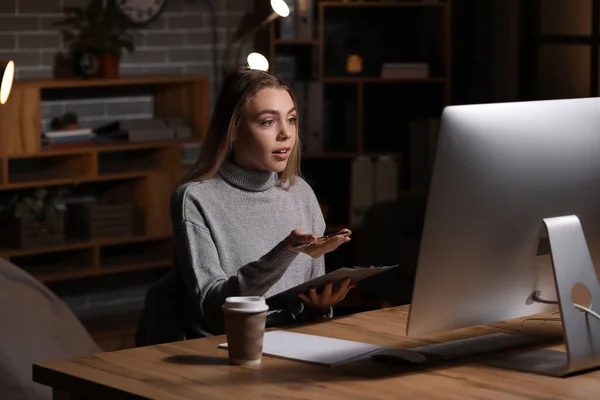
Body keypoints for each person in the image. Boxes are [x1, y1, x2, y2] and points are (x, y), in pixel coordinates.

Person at [135, 68, 356, 346]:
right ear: (234, 130)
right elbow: (216, 312)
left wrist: (320, 308)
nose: (286, 134)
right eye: (267, 122)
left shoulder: (301, 193)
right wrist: (285, 251)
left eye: (291, 119)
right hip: (224, 352)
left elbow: (306, 305)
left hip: (294, 347)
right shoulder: (195, 199)